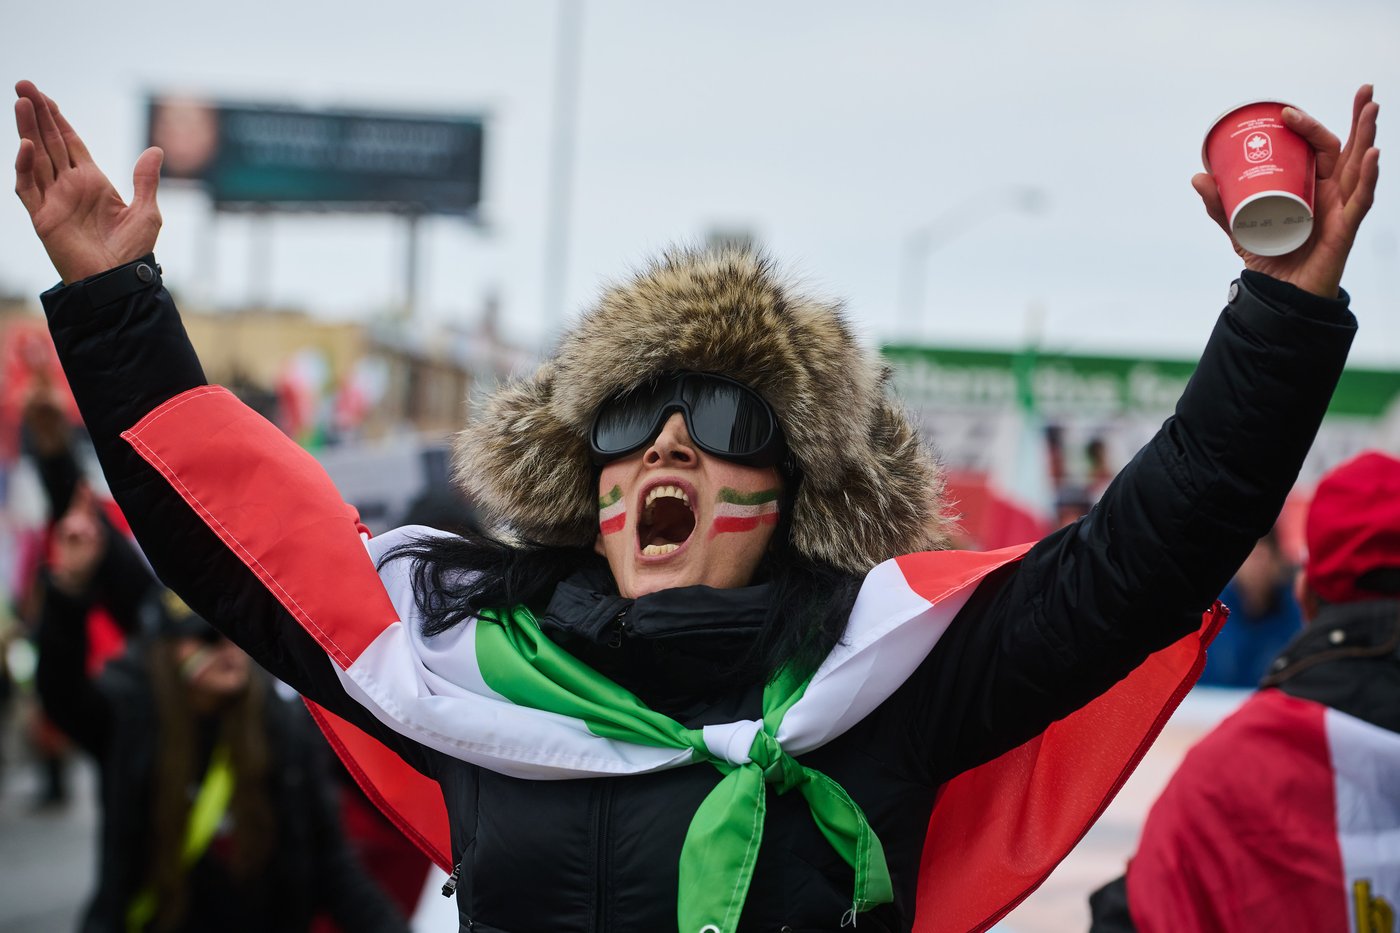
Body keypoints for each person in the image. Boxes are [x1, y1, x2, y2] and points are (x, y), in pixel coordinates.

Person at [11, 78, 1380, 932]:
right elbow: (240, 535)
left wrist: (1284, 304)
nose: (666, 440)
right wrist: (112, 302)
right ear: (593, 487)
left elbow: (1152, 550)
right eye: (630, 419)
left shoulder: (891, 677)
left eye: (721, 420)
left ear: (786, 490)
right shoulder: (466, 676)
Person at [34, 485, 411, 933]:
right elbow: (61, 694)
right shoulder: (130, 714)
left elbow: (332, 863)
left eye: (234, 634)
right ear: (168, 650)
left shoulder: (283, 726)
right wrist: (70, 588)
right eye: (206, 638)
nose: (227, 650)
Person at [1089, 450, 1400, 933]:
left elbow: (1145, 913)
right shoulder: (1210, 617)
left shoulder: (1228, 774)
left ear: (1305, 592)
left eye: (1260, 550)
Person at [1198, 528, 1305, 687]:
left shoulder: (1293, 614)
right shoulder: (1211, 611)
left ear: (1277, 561)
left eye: (1263, 558)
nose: (1257, 568)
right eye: (1251, 558)